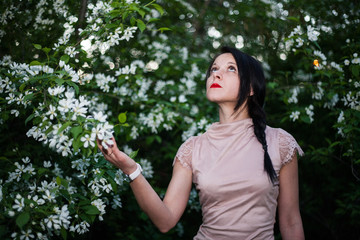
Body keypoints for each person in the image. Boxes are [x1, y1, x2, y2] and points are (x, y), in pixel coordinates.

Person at [97, 46, 305, 240]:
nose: (216, 74)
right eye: (214, 69)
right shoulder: (192, 149)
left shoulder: (280, 143)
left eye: (231, 69)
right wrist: (131, 170)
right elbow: (165, 220)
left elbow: (291, 221)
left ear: (251, 87)